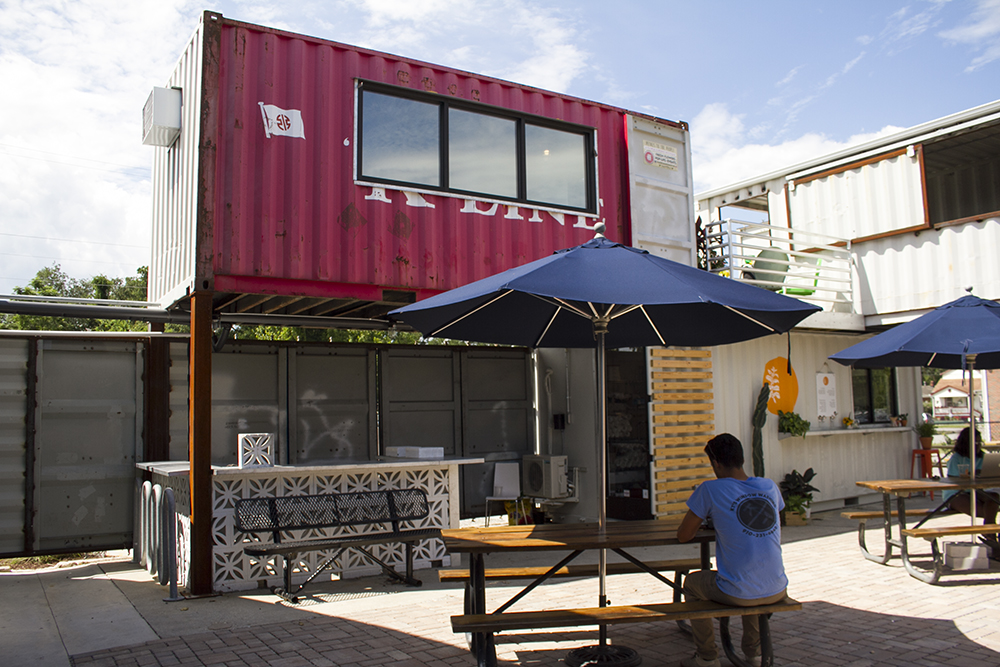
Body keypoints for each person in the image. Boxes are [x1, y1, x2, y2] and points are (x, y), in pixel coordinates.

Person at [676, 433, 788, 667]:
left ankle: (707, 657)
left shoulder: (710, 489)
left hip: (739, 591)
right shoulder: (769, 486)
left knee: (692, 584)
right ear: (742, 458)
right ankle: (754, 653)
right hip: (778, 586)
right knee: (751, 576)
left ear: (716, 463)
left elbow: (684, 535)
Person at [944, 427, 999, 528]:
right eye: (974, 442)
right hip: (956, 493)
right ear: (966, 443)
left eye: (979, 442)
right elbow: (952, 479)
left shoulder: (982, 457)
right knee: (987, 511)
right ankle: (989, 531)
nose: (977, 445)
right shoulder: (956, 458)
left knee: (994, 498)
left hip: (977, 491)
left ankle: (989, 531)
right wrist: (972, 474)